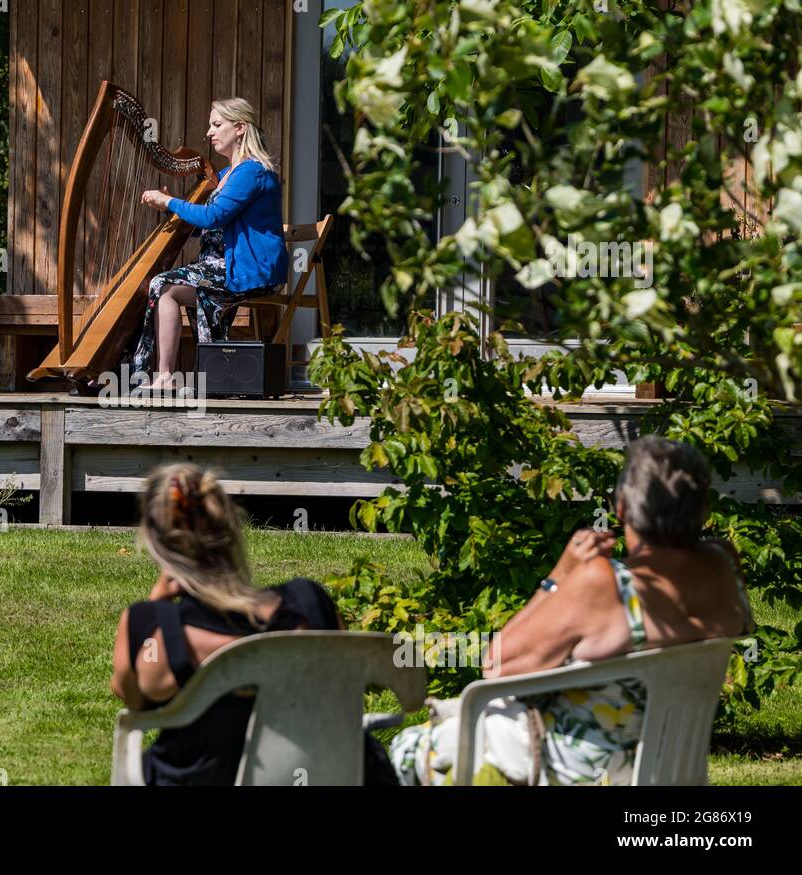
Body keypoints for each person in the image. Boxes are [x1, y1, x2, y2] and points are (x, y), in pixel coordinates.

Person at [390, 435, 755, 785]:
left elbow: (497, 664)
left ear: (622, 507)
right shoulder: (724, 564)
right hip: (664, 765)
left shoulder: (608, 583)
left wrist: (560, 575)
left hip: (568, 768)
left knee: (404, 751)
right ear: (703, 508)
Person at [110, 463, 353, 785]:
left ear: (158, 546)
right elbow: (347, 683)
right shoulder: (310, 605)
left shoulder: (151, 625)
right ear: (230, 528)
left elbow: (133, 699)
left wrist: (154, 609)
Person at [133, 97, 288, 389]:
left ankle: (164, 375)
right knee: (164, 287)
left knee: (162, 285)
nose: (209, 132)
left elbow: (213, 216)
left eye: (217, 124)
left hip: (248, 269)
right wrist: (172, 210)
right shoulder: (228, 174)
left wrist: (170, 201)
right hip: (221, 266)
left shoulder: (252, 172)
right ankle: (167, 375)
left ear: (240, 128)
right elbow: (212, 228)